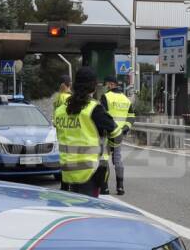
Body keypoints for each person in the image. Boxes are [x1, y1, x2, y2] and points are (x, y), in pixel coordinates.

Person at [54, 66, 116, 197]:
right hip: (90, 173)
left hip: (67, 172)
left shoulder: (59, 111)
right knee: (88, 212)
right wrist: (110, 148)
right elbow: (116, 133)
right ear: (93, 86)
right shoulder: (94, 109)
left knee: (71, 211)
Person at [100, 75, 135, 195]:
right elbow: (131, 118)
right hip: (119, 134)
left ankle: (104, 188)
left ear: (111, 84)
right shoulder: (126, 99)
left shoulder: (106, 97)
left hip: (106, 133)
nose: (106, 87)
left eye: (107, 84)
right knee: (118, 159)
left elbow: (102, 116)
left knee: (104, 159)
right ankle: (120, 187)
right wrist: (125, 129)